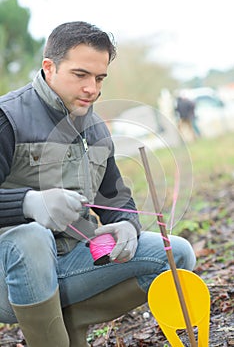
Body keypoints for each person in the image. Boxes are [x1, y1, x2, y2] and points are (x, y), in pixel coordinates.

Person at [0, 21, 196, 347]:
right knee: (30, 238)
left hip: (69, 262)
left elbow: (116, 199)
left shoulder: (96, 129)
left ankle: (66, 327)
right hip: (8, 275)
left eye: (99, 77)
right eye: (81, 75)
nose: (92, 88)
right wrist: (28, 203)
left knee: (176, 255)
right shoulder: (8, 118)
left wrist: (127, 227)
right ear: (49, 67)